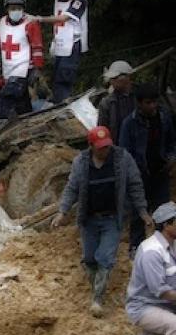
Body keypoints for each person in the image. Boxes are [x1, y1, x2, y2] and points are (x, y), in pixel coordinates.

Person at [52, 125, 151, 316]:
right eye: (100, 147)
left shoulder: (123, 159)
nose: (105, 150)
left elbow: (135, 185)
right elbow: (72, 188)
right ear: (91, 146)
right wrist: (62, 212)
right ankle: (97, 287)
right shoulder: (81, 163)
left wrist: (142, 211)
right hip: (89, 219)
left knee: (105, 258)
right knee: (90, 259)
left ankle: (97, 300)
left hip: (113, 218)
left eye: (107, 146)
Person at [124, 201, 176, 335]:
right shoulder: (151, 251)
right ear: (167, 225)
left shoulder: (172, 246)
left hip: (163, 308)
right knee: (174, 326)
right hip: (145, 307)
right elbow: (160, 291)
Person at [119, 84, 176, 258]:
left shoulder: (164, 118)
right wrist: (132, 171)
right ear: (139, 103)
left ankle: (164, 248)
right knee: (138, 212)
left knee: (164, 212)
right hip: (140, 175)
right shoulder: (130, 123)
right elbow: (124, 151)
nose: (152, 106)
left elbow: (172, 142)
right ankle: (136, 247)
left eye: (154, 102)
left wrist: (171, 158)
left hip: (160, 172)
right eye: (148, 102)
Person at [0, 0, 44, 119]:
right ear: (7, 9)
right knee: (22, 103)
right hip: (8, 70)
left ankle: (2, 124)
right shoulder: (2, 23)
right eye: (13, 8)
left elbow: (37, 47)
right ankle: (28, 121)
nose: (16, 11)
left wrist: (37, 68)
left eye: (19, 8)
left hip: (23, 69)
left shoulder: (31, 23)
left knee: (7, 99)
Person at [34, 0, 89, 103]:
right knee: (56, 77)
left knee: (65, 77)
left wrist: (40, 19)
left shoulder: (79, 0)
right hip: (59, 43)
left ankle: (64, 107)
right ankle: (58, 103)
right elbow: (57, 24)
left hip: (72, 43)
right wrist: (53, 41)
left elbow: (64, 18)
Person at [97, 60, 136, 143]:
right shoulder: (107, 103)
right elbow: (102, 129)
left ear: (127, 77)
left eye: (115, 78)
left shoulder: (142, 95)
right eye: (111, 79)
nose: (112, 82)